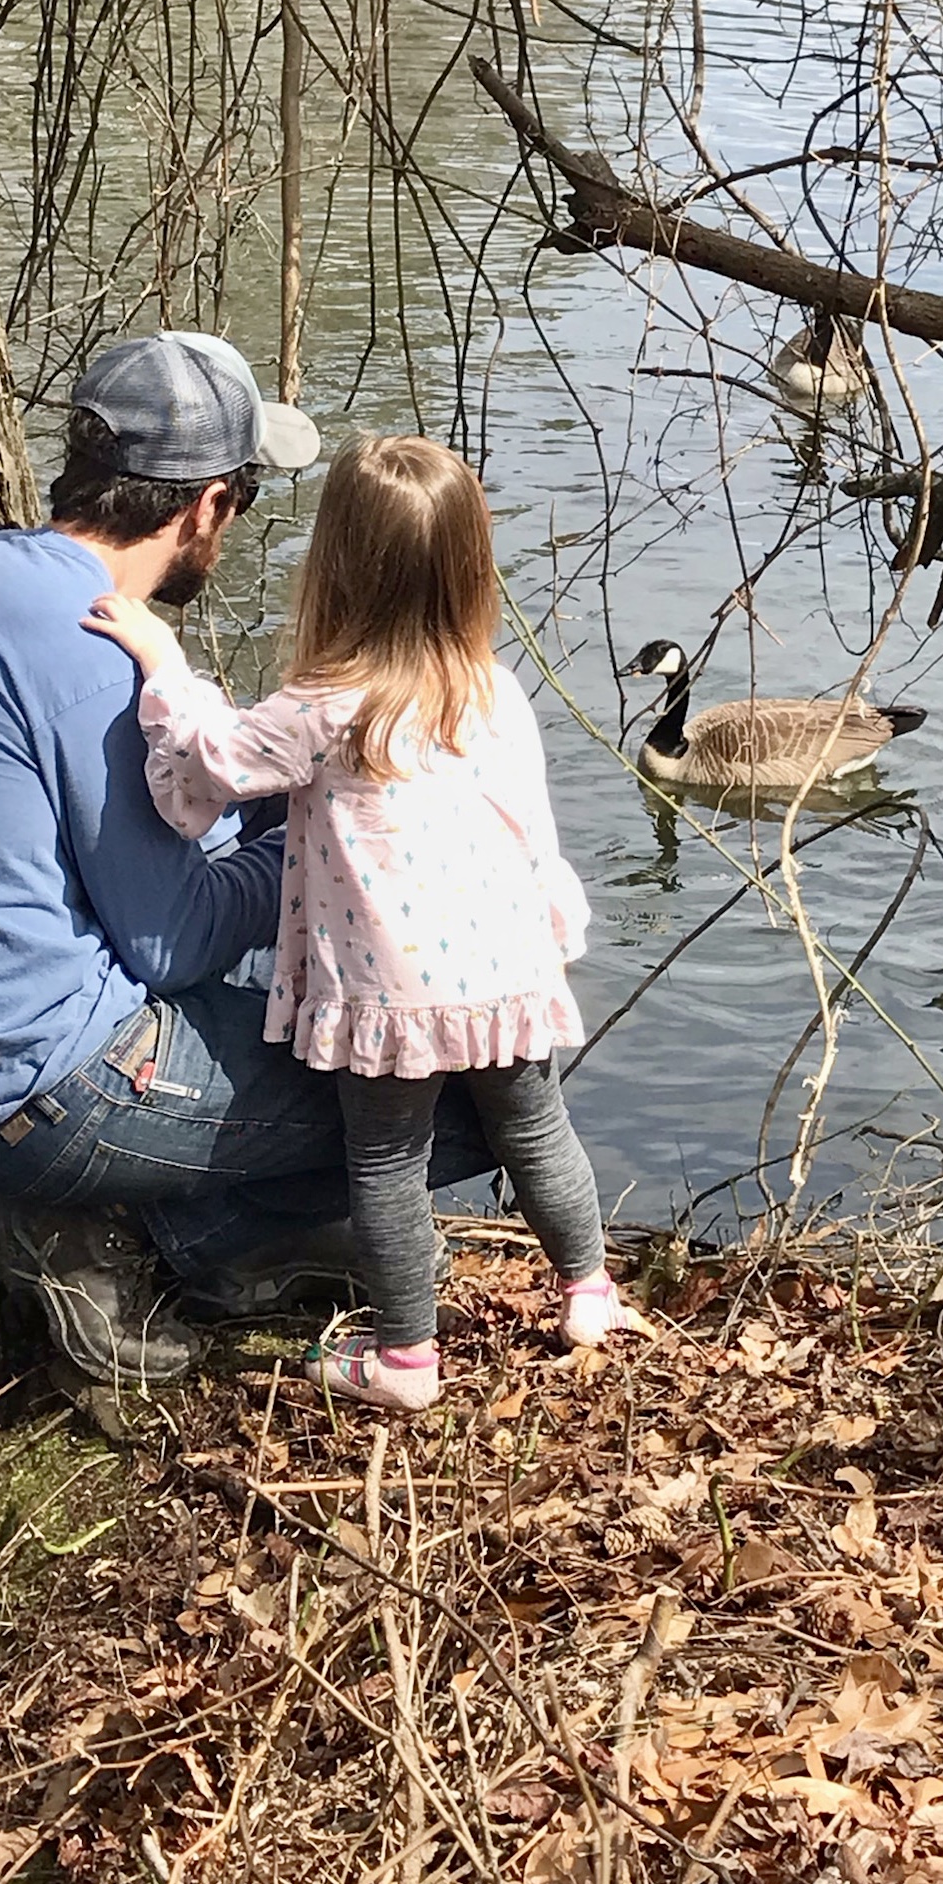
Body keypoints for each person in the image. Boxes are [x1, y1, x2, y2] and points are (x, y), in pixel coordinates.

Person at [0, 334, 501, 1389]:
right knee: (476, 1085)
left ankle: (233, 1235)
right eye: (242, 498)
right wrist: (321, 846)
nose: (235, 525)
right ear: (202, 506)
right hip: (50, 1086)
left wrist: (269, 790)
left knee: (338, 985)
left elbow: (147, 860)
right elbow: (173, 937)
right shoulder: (91, 660)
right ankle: (150, 1240)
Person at [84, 432, 633, 1414]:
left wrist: (165, 664)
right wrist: (556, 928)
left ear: (336, 565)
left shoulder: (327, 705)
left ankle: (407, 1356)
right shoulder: (492, 689)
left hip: (393, 991)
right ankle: (589, 1291)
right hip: (508, 968)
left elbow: (212, 762)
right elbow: (530, 824)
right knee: (536, 1126)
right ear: (468, 567)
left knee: (385, 1160)